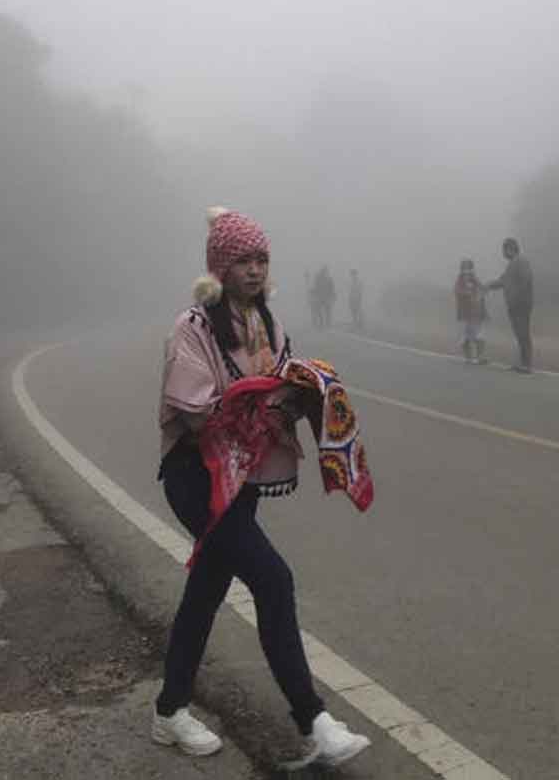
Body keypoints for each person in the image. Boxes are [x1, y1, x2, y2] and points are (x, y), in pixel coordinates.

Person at [153, 208, 371, 767]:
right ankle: (314, 722)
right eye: (243, 261)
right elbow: (199, 414)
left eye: (261, 260)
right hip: (196, 479)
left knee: (205, 593)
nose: (254, 270)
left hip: (240, 480)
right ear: (220, 267)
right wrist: (267, 394)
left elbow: (276, 403)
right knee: (274, 581)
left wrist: (305, 395)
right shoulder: (193, 328)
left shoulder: (270, 326)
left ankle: (168, 712)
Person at [486, 237, 533, 373]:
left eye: (504, 250)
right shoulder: (513, 263)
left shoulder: (521, 261)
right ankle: (523, 363)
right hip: (516, 303)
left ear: (510, 249)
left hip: (520, 304)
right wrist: (489, 285)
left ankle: (526, 364)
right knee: (520, 333)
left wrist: (517, 297)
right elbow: (503, 281)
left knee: (523, 333)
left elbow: (525, 280)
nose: (503, 253)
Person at [454, 259, 489, 364]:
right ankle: (468, 357)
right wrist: (467, 293)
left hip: (477, 312)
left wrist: (482, 291)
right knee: (467, 337)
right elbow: (457, 291)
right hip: (466, 313)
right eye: (465, 268)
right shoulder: (459, 280)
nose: (467, 271)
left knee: (479, 336)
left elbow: (482, 289)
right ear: (461, 269)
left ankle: (479, 357)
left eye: (469, 268)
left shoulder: (474, 279)